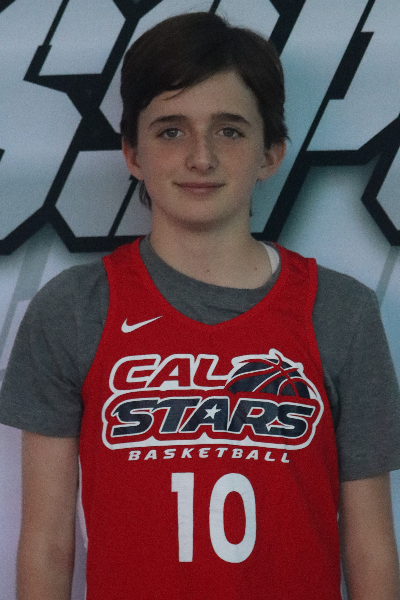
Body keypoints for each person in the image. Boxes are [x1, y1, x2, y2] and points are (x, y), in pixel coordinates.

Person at [0, 11, 400, 600]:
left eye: (229, 131)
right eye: (171, 131)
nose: (201, 157)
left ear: (271, 153)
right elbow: (46, 543)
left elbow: (369, 544)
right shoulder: (73, 310)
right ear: (132, 153)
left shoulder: (342, 311)